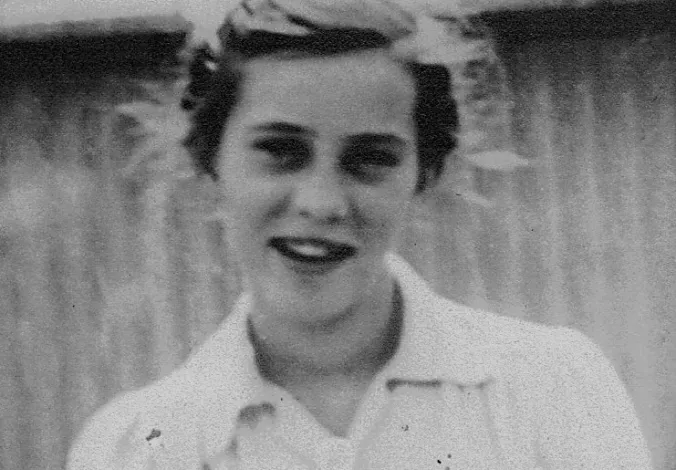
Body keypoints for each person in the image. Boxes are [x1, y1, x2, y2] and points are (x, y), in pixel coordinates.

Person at [66, 0, 654, 468]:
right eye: (281, 151)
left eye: (369, 158)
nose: (322, 203)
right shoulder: (133, 448)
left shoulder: (550, 389)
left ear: (424, 173)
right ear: (210, 158)